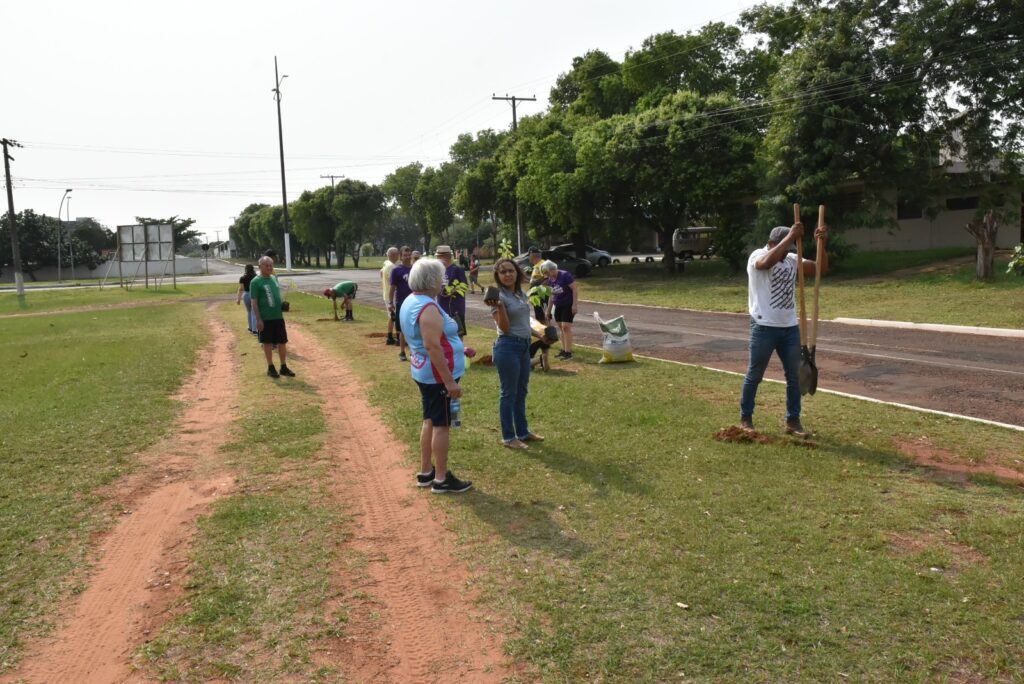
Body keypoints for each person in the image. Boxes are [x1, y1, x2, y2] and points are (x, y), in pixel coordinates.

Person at [740, 221, 829, 437]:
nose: (787, 253)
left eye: (790, 249)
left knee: (794, 376)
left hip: (790, 328)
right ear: (772, 243)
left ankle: (793, 421)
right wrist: (790, 237)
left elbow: (820, 269)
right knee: (755, 375)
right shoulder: (758, 255)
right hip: (763, 326)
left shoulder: (791, 258)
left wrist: (822, 244)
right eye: (783, 247)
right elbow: (765, 263)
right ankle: (746, 419)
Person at [399, 258, 472, 494]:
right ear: (432, 280)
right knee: (442, 425)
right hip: (437, 376)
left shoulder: (413, 300)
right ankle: (441, 478)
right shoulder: (427, 307)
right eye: (441, 276)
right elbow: (432, 346)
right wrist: (449, 381)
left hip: (424, 372)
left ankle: (426, 471)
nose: (443, 281)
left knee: (430, 420)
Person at [486, 258, 545, 450]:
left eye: (511, 271)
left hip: (523, 347)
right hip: (507, 347)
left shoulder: (519, 293)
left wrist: (540, 335)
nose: (508, 275)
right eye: (503, 272)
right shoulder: (497, 297)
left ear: (517, 272)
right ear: (498, 276)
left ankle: (523, 432)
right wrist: (501, 307)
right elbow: (504, 327)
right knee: (509, 393)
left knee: (521, 391)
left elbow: (524, 322)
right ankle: (509, 437)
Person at [250, 256, 295, 378]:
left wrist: (282, 305)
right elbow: (253, 302)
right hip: (265, 318)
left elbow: (276, 295)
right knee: (267, 343)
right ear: (260, 267)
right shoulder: (255, 282)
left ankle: (283, 366)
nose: (269, 267)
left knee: (282, 342)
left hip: (278, 316)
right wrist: (258, 320)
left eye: (271, 265)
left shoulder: (274, 278)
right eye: (266, 265)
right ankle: (270, 367)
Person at [542, 260, 578, 360]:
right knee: (561, 328)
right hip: (558, 305)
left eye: (547, 273)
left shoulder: (565, 275)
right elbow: (551, 295)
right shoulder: (550, 280)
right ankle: (563, 350)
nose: (547, 276)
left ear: (552, 269)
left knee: (565, 326)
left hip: (568, 304)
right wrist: (548, 311)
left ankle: (568, 352)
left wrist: (574, 305)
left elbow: (575, 289)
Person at [435, 245, 468, 338]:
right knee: (443, 335)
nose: (437, 258)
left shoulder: (457, 270)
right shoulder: (438, 270)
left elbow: (464, 286)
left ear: (446, 256)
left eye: (438, 256)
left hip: (455, 308)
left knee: (457, 334)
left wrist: (452, 291)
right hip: (441, 307)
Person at [389, 246, 414, 361]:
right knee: (402, 329)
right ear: (401, 256)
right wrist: (390, 303)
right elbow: (392, 288)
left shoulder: (416, 269)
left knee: (415, 328)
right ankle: (402, 352)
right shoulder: (396, 270)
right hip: (401, 304)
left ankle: (414, 352)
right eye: (405, 255)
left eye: (409, 255)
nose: (408, 257)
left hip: (414, 303)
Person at [380, 247, 400, 345]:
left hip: (386, 294)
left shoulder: (386, 264)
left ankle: (390, 337)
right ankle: (397, 337)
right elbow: (395, 282)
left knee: (391, 316)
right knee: (395, 316)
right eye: (397, 254)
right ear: (392, 255)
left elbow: (380, 272)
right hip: (391, 295)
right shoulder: (392, 267)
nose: (398, 256)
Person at [526, 246, 547, 321]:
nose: (528, 257)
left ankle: (546, 331)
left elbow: (548, 279)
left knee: (543, 316)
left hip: (542, 296)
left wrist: (537, 288)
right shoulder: (537, 265)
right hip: (537, 297)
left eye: (529, 255)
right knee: (539, 316)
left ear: (532, 255)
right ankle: (544, 330)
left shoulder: (542, 264)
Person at [236, 264, 257, 334]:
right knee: (254, 312)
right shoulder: (256, 277)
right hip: (254, 294)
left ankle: (250, 328)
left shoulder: (242, 278)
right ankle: (254, 329)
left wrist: (238, 299)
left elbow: (241, 289)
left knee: (249, 312)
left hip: (246, 295)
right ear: (253, 269)